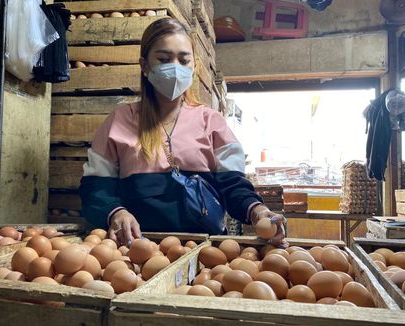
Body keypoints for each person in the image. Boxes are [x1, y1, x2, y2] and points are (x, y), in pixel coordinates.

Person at [79, 18, 286, 247]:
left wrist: (257, 210)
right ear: (144, 65)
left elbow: (233, 186)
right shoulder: (118, 123)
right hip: (138, 250)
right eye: (164, 59)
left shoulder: (212, 122)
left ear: (193, 66)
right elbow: (95, 190)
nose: (175, 67)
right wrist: (116, 213)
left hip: (204, 251)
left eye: (184, 60)